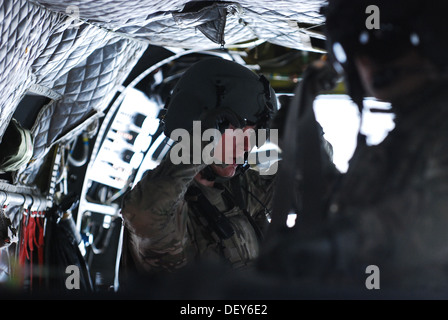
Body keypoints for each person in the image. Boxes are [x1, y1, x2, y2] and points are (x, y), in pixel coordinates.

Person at [259, 0, 448, 294]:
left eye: (383, 44)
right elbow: (345, 205)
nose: (367, 64)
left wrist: (340, 242)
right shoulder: (402, 138)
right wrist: (300, 139)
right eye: (354, 51)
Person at [118, 58, 281, 285]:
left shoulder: (240, 190)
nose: (247, 147)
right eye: (240, 134)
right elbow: (146, 213)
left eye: (254, 137)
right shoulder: (168, 207)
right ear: (202, 126)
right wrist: (199, 144)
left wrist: (301, 131)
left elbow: (310, 186)